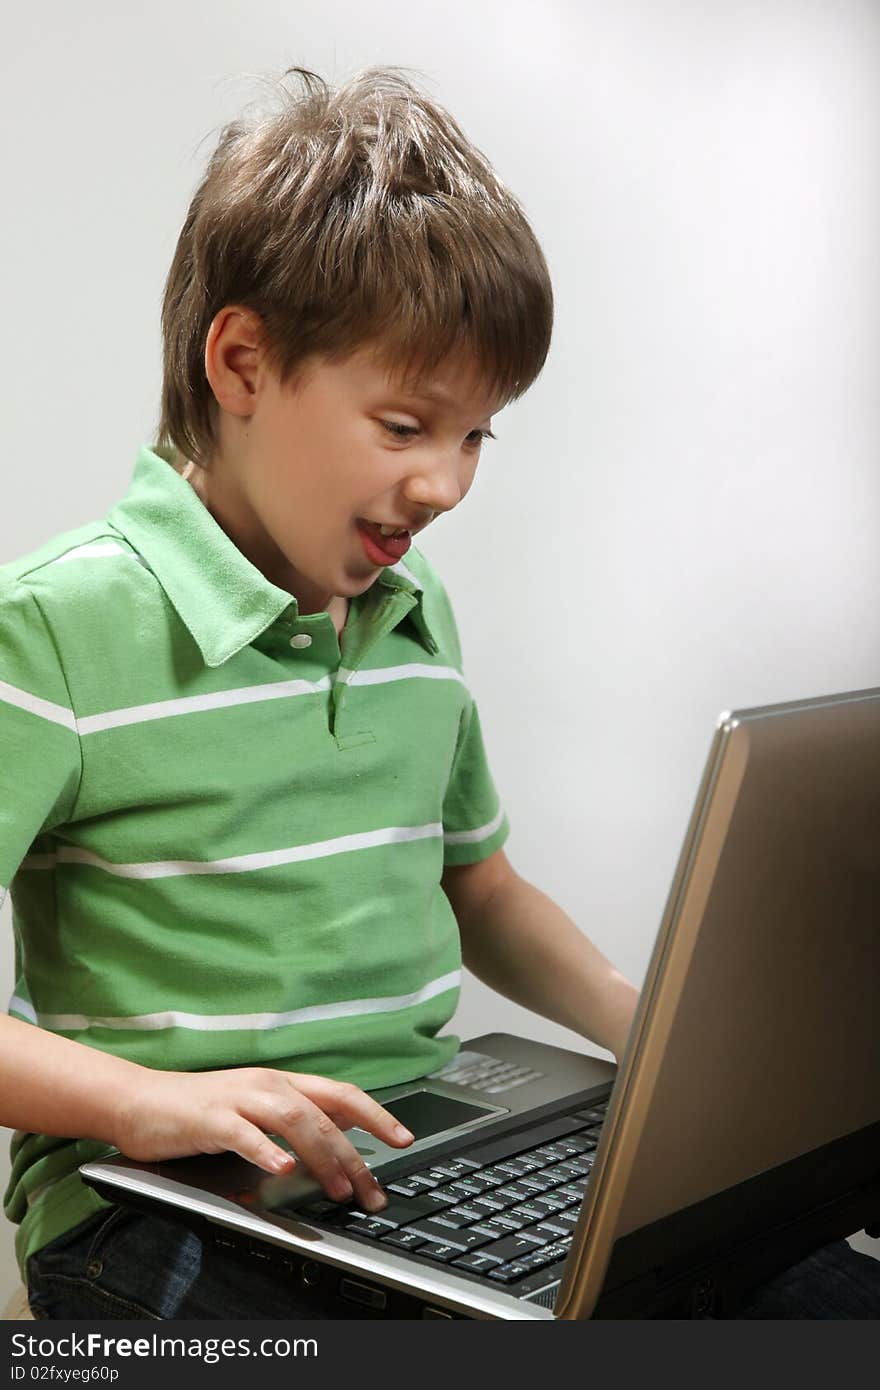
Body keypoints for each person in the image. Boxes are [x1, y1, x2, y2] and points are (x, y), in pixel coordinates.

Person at [1, 65, 877, 1322]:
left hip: (411, 1155)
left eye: (477, 436)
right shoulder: (53, 627)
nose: (448, 485)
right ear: (244, 362)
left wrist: (657, 1050)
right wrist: (153, 1099)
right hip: (150, 1197)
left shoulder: (412, 617)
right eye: (407, 426)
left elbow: (483, 890)